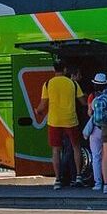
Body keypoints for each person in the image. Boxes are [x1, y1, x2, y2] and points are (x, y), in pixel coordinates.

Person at [33, 61, 85, 190]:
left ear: (54, 69)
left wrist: (37, 111)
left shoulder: (48, 84)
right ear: (65, 69)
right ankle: (78, 176)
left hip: (54, 121)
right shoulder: (73, 83)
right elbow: (83, 102)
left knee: (56, 150)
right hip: (70, 120)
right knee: (76, 147)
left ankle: (57, 180)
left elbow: (42, 106)